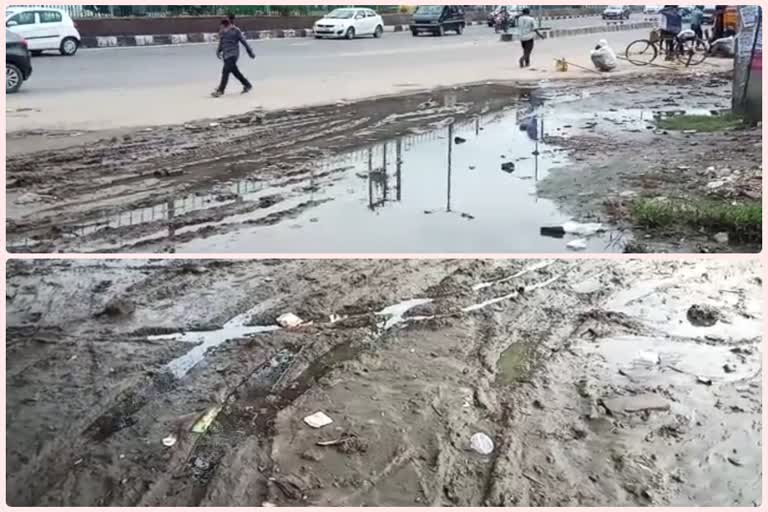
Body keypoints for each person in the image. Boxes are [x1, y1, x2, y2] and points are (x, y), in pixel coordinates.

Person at [212, 18, 255, 98]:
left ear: (226, 24)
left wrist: (250, 52)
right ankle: (247, 84)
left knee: (225, 71)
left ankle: (220, 90)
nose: (221, 27)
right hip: (226, 55)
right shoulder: (222, 31)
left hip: (233, 54)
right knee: (235, 72)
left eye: (222, 25)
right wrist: (218, 51)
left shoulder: (235, 30)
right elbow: (221, 42)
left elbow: (243, 42)